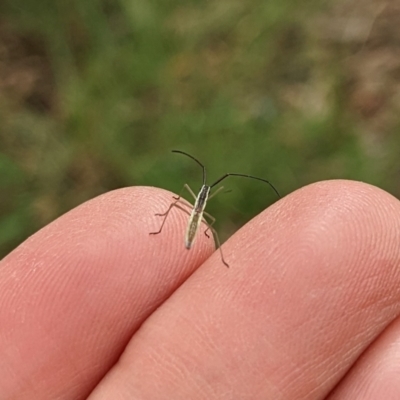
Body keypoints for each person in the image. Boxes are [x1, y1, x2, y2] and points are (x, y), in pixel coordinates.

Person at [1, 180, 400, 399]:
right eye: (204, 192)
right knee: (178, 216)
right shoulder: (193, 202)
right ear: (200, 194)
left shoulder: (203, 201)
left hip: (195, 224)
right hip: (181, 221)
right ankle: (172, 230)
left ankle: (216, 252)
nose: (204, 194)